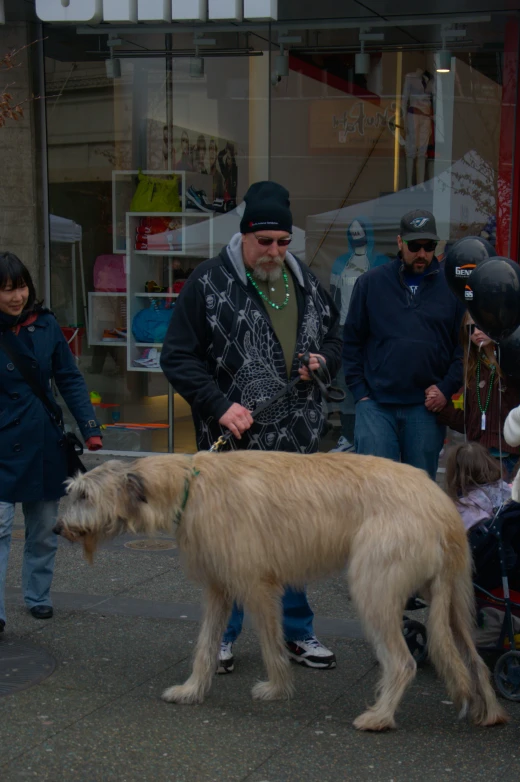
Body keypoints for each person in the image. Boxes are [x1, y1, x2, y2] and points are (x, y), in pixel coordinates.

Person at [160, 181, 341, 674]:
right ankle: (224, 637)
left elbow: (336, 338)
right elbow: (176, 356)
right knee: (233, 546)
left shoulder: (307, 281)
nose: (275, 251)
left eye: (284, 241)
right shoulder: (207, 282)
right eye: (265, 242)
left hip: (297, 444)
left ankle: (297, 633)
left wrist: (323, 360)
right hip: (237, 449)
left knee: (295, 539)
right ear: (244, 235)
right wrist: (219, 405)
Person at [0, 252, 102, 633]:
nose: (16, 297)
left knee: (43, 529)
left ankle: (38, 596)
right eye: (7, 290)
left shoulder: (44, 325)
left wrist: (89, 426)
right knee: (0, 528)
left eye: (21, 287)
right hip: (2, 444)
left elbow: (69, 377)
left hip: (43, 440)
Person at [343, 209, 464, 479]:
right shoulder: (370, 284)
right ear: (400, 242)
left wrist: (446, 389)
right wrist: (360, 393)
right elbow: (351, 341)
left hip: (425, 408)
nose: (422, 253)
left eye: (429, 246)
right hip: (375, 406)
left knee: (420, 495)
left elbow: (463, 349)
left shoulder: (452, 289)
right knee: (375, 490)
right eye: (415, 246)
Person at [438, 313, 520, 478]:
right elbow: (469, 421)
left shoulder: (512, 362)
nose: (476, 332)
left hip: (508, 455)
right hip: (478, 457)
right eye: (470, 328)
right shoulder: (472, 369)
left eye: (482, 326)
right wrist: (440, 408)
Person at [329, 217, 388, 452]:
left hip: (373, 330)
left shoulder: (380, 262)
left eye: (360, 231)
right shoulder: (340, 263)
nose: (356, 235)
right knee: (345, 383)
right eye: (351, 231)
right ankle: (347, 435)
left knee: (373, 381)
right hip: (344, 328)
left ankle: (371, 437)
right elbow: (333, 295)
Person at [445, 442, 512, 532]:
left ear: (454, 473)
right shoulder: (504, 487)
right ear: (489, 462)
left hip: (481, 544)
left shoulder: (461, 506)